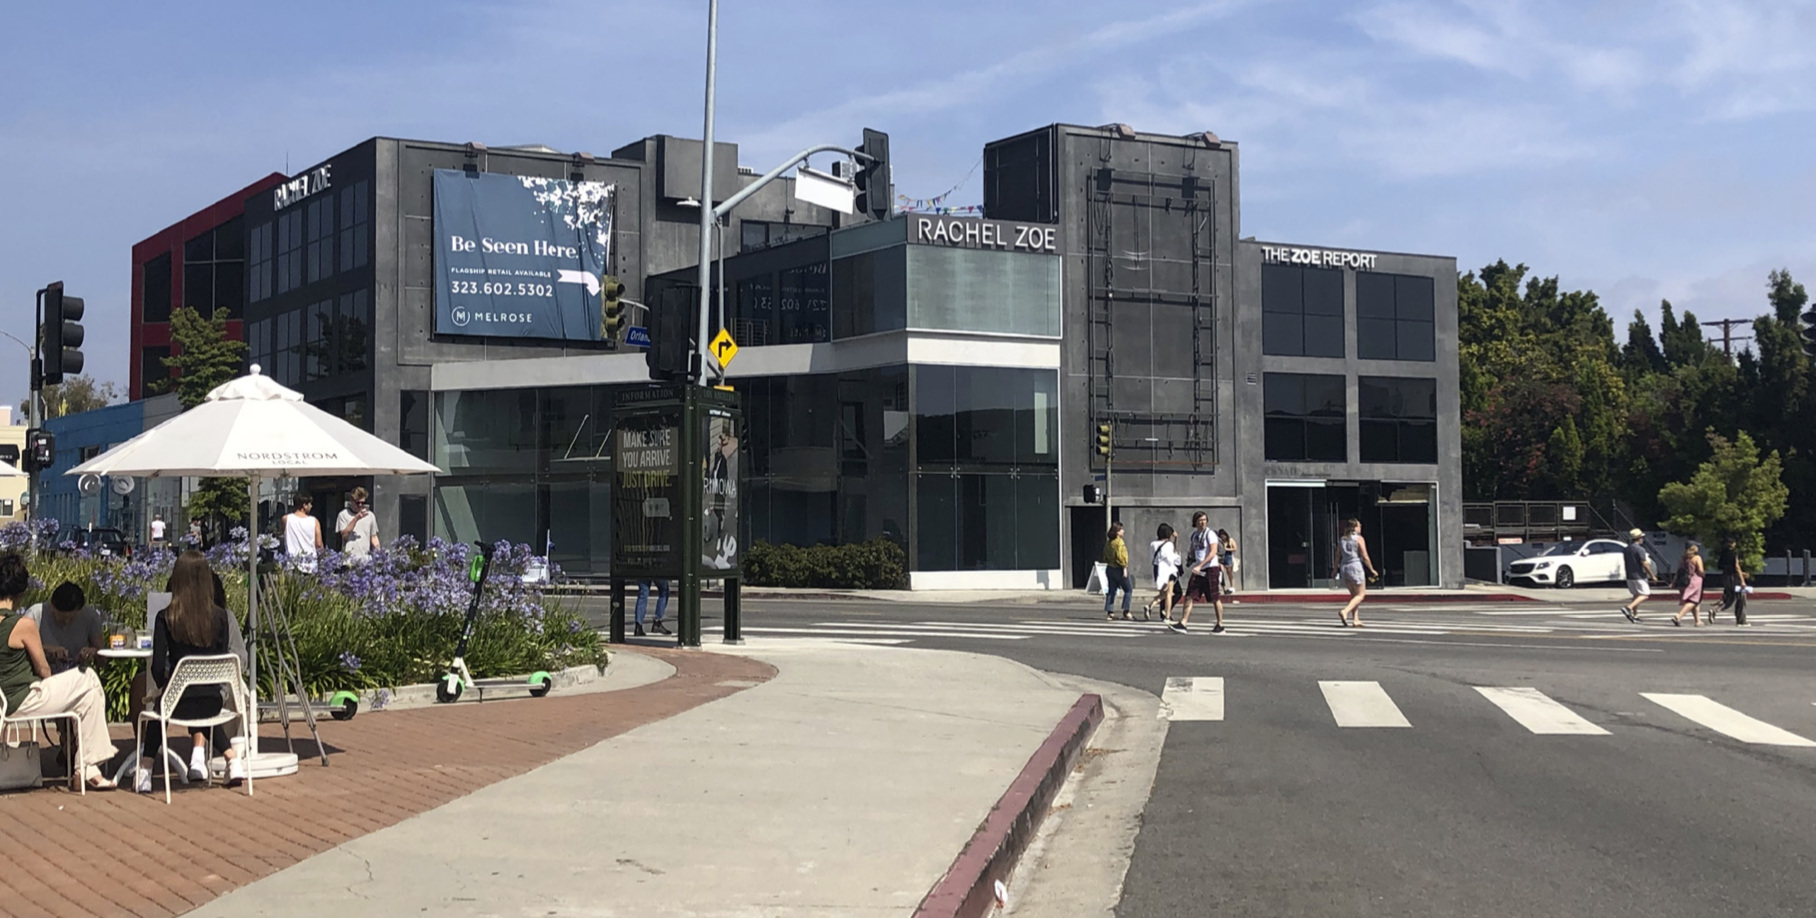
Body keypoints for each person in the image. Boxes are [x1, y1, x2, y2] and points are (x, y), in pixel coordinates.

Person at [0, 552, 118, 790]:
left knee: (87, 695)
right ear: (22, 592)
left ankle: (85, 767)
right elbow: (44, 670)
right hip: (23, 698)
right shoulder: (23, 625)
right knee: (89, 680)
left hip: (3, 699)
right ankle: (88, 767)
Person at [137, 550, 245, 792]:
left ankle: (145, 769)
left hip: (177, 702)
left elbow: (156, 667)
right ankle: (232, 760)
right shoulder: (222, 618)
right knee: (201, 703)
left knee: (160, 708)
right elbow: (220, 660)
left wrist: (166, 684)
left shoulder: (166, 617)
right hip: (213, 700)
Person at [24, 581, 105, 675]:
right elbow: (21, 651)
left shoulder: (90, 616)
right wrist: (45, 650)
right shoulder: (36, 614)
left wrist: (93, 652)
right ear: (52, 606)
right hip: (42, 676)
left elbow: (102, 660)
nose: (66, 622)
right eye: (62, 618)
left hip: (76, 676)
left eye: (72, 618)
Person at [1174, 512, 1225, 634]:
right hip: (1198, 569)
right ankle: (1183, 622)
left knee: (1214, 597)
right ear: (1195, 522)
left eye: (1204, 520)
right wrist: (1191, 558)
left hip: (1210, 568)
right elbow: (1194, 549)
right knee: (1189, 595)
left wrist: (1201, 565)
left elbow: (1213, 552)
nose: (1202, 522)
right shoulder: (1195, 535)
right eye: (1200, 520)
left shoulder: (1210, 534)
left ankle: (1220, 625)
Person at [1333, 519, 1378, 627]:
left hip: (1344, 567)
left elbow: (1338, 556)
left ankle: (1356, 619)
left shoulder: (1342, 540)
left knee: (1354, 595)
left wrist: (1335, 570)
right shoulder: (1359, 539)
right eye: (1359, 525)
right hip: (1355, 567)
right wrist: (1372, 569)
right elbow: (1365, 556)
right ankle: (1345, 611)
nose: (1360, 527)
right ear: (1354, 527)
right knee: (1360, 595)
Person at [1147, 524, 1182, 623]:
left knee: (1164, 593)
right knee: (1171, 593)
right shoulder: (1169, 544)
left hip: (1157, 568)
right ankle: (1166, 614)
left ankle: (1156, 608)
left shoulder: (1153, 544)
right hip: (1168, 569)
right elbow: (1171, 557)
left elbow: (1152, 558)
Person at [1619, 529, 1655, 623]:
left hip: (1630, 575)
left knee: (1636, 595)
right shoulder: (1640, 549)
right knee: (1645, 594)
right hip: (1639, 576)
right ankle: (1628, 608)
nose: (1642, 539)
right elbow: (1644, 563)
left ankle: (1635, 615)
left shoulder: (1627, 549)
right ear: (1639, 538)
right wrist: (1652, 575)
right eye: (1642, 537)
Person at [335, 487, 380, 563]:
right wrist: (356, 518)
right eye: (357, 503)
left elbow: (373, 537)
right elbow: (344, 535)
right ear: (351, 501)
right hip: (349, 561)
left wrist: (379, 554)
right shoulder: (343, 515)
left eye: (362, 503)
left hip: (365, 561)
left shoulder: (370, 516)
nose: (360, 505)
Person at [283, 493, 324, 573]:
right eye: (310, 504)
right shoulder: (314, 521)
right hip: (310, 565)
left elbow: (281, 533)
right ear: (304, 505)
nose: (311, 506)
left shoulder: (286, 519)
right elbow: (319, 544)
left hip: (292, 564)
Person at [1102, 522, 1134, 621]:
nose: (1123, 531)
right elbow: (1121, 556)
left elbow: (1104, 555)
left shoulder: (1109, 542)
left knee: (1111, 591)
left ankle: (1110, 612)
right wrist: (1124, 567)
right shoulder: (1119, 542)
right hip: (1119, 569)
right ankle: (1126, 611)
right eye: (1121, 530)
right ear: (1117, 532)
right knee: (1128, 589)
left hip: (1110, 568)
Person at [1716, 536, 1750, 627]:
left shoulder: (1723, 554)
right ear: (1732, 544)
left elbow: (1721, 566)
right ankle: (1741, 621)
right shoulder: (1733, 553)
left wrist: (1741, 573)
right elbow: (1736, 567)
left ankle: (1716, 610)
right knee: (1741, 598)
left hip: (1725, 577)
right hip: (1734, 578)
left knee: (1730, 597)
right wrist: (1742, 580)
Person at [1670, 543, 1706, 627]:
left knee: (1695, 601)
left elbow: (1678, 571)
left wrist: (1673, 582)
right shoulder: (1697, 558)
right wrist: (1704, 575)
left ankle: (1698, 621)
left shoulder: (1683, 558)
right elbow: (1700, 570)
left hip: (1683, 581)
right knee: (1693, 601)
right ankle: (1678, 616)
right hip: (1695, 580)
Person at [1217, 528, 1240, 594]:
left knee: (1229, 572)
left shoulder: (1230, 540)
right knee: (1221, 572)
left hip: (1228, 556)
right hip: (1221, 557)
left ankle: (1232, 586)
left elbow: (1235, 548)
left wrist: (1226, 549)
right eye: (1221, 536)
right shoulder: (1219, 541)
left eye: (1224, 536)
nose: (1223, 537)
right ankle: (1221, 588)